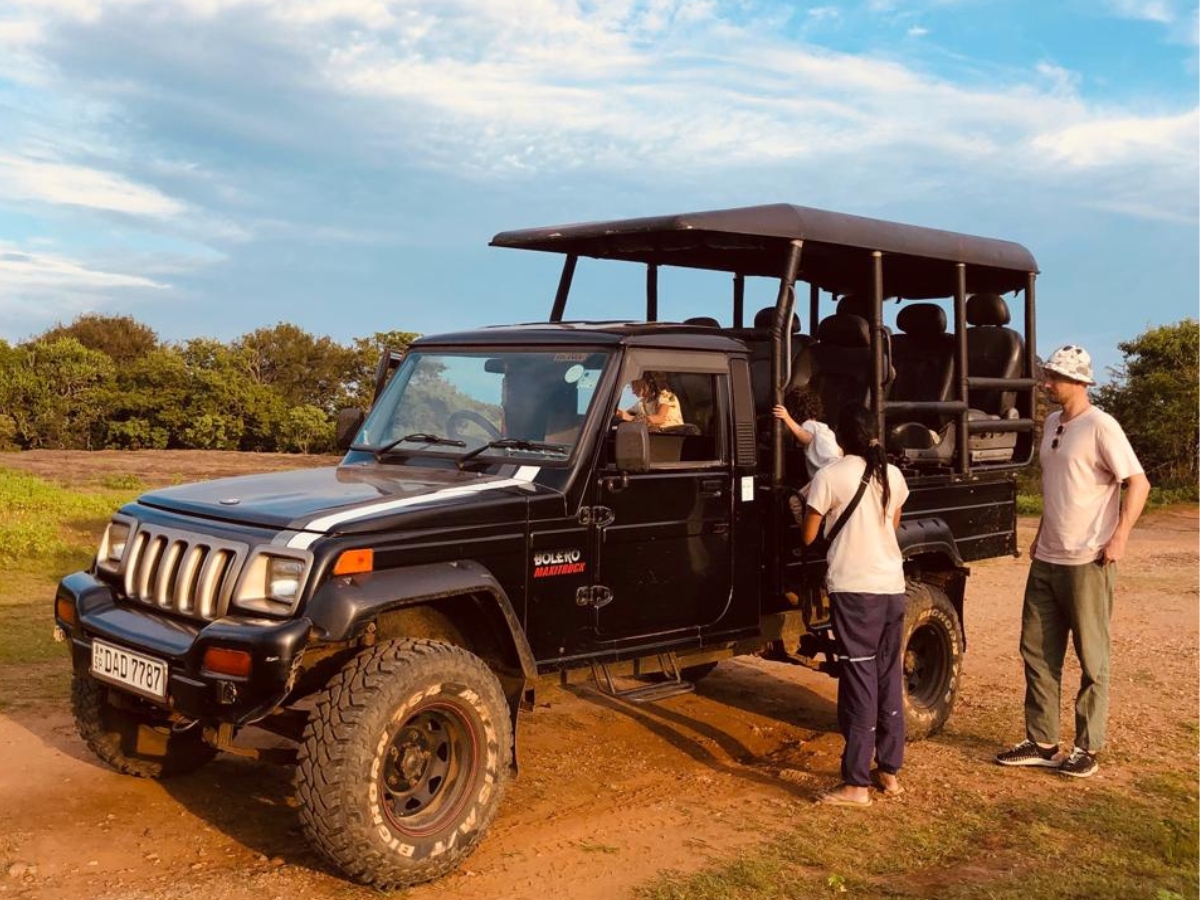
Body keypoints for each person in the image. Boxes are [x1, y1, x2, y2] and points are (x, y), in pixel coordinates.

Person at [995, 345, 1149, 778]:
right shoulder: (1050, 424)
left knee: (1091, 655)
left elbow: (1139, 483)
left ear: (1081, 383)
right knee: (1038, 651)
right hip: (1048, 556)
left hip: (1088, 558)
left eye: (1056, 378)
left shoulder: (1102, 426)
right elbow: (1058, 487)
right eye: (1047, 375)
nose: (1047, 383)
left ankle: (1088, 747)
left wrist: (1119, 537)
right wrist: (1040, 535)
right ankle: (1042, 741)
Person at [803, 404, 910, 806]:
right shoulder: (892, 474)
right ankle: (890, 771)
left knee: (859, 683)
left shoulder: (829, 475)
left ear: (841, 437)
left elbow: (810, 536)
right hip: (891, 586)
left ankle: (855, 784)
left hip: (855, 590)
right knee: (886, 676)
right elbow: (893, 522)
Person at [773, 387, 842, 478]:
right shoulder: (824, 428)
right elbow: (840, 450)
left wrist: (786, 417)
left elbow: (805, 437)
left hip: (826, 472)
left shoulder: (808, 425)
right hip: (837, 467)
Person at [616, 372, 683, 431]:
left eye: (635, 383)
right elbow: (623, 411)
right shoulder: (643, 402)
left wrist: (631, 418)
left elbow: (659, 418)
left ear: (647, 382)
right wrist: (619, 412)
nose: (633, 389)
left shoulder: (666, 396)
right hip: (655, 436)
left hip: (672, 435)